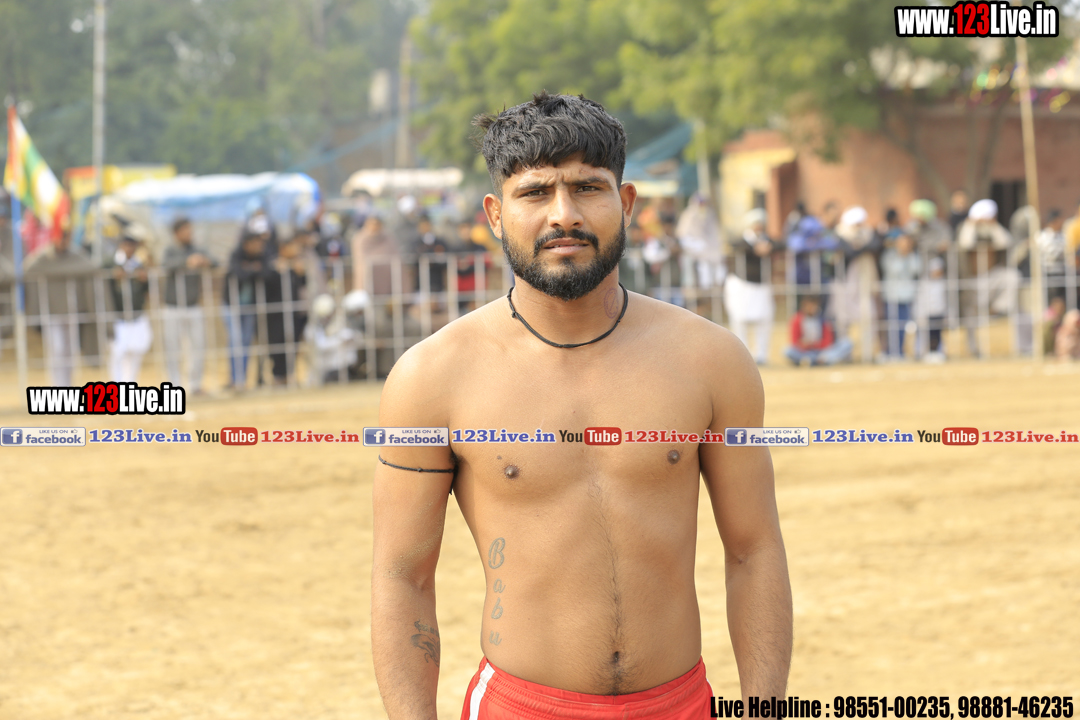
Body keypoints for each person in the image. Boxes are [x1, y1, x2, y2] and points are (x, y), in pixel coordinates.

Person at [371, 92, 792, 720]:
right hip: (520, 708)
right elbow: (402, 575)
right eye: (536, 192)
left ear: (626, 203)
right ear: (495, 214)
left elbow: (754, 549)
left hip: (681, 704)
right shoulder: (431, 378)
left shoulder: (711, 360)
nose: (563, 214)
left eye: (588, 188)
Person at [22, 230, 98, 385]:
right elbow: (28, 268)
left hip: (71, 311)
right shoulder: (42, 257)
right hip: (52, 313)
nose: (63, 240)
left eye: (66, 236)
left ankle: (68, 386)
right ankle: (58, 386)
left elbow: (91, 266)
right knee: (56, 350)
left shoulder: (77, 255)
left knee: (70, 352)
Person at [161, 217, 216, 394]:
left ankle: (195, 384)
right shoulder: (170, 250)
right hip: (173, 306)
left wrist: (204, 261)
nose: (189, 233)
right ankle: (174, 385)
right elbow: (166, 265)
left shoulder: (198, 249)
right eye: (185, 230)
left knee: (198, 346)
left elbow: (216, 262)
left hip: (193, 305)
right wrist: (187, 262)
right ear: (176, 233)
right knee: (172, 349)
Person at [223, 227, 275, 390]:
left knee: (246, 342)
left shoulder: (263, 255)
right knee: (235, 341)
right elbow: (238, 273)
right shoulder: (236, 254)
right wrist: (254, 269)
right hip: (231, 305)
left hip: (250, 306)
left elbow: (268, 273)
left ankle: (241, 379)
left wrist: (249, 268)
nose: (260, 246)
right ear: (247, 243)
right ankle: (235, 379)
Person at [724, 208, 775, 365]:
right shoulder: (743, 241)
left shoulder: (767, 240)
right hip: (742, 285)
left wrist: (767, 247)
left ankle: (761, 355)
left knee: (764, 320)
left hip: (761, 286)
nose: (759, 227)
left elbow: (780, 243)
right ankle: (743, 356)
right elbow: (735, 244)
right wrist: (754, 249)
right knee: (739, 319)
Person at [105, 226, 153, 383]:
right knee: (117, 354)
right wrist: (113, 276)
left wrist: (144, 280)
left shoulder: (139, 265)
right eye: (126, 245)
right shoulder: (110, 263)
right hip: (118, 315)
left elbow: (148, 290)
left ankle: (130, 385)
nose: (129, 249)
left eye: (132, 245)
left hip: (136, 313)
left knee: (136, 352)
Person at [880, 233, 921, 359]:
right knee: (892, 325)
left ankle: (900, 351)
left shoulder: (913, 256)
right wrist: (901, 256)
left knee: (904, 325)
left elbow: (916, 269)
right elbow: (893, 270)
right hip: (892, 296)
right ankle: (890, 351)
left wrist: (908, 255)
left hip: (907, 296)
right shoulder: (889, 256)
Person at [784, 294, 853, 366]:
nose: (811, 308)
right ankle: (818, 361)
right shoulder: (797, 320)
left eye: (813, 306)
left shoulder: (823, 319)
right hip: (804, 352)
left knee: (846, 343)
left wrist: (814, 344)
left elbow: (828, 342)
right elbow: (795, 342)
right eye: (809, 306)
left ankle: (815, 361)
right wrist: (804, 345)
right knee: (788, 351)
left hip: (822, 352)